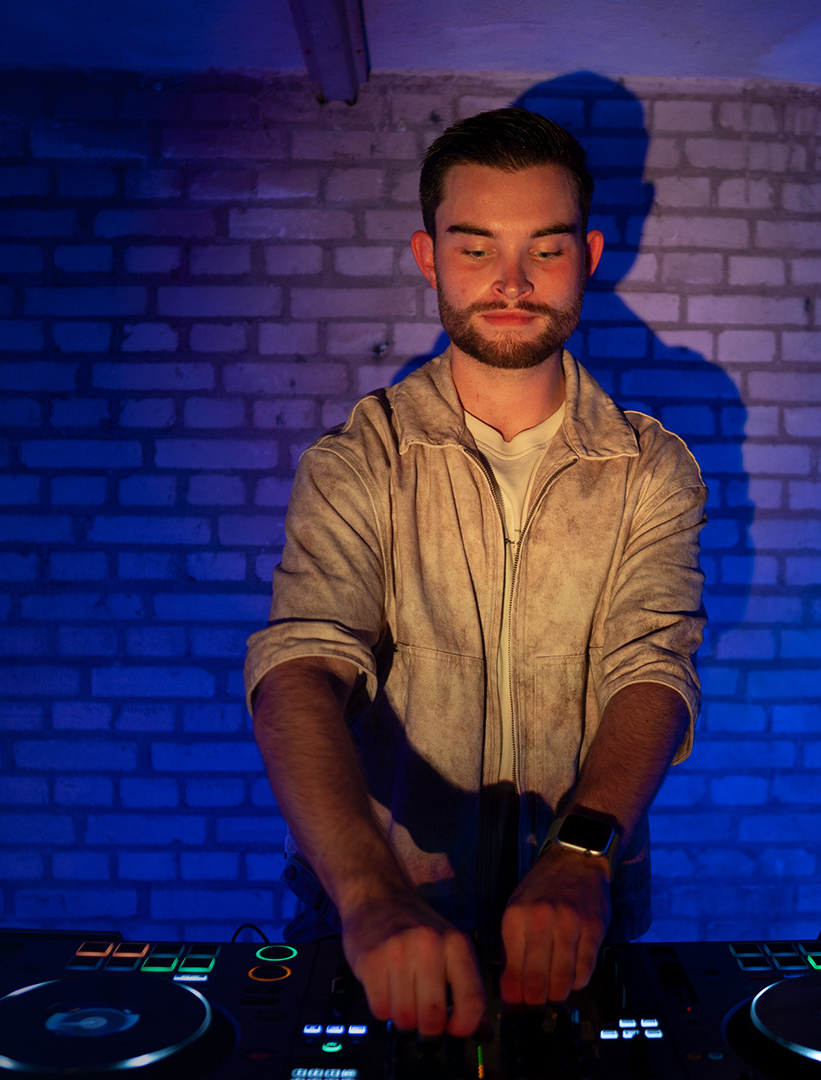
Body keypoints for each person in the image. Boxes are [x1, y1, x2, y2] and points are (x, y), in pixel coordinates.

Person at [243, 108, 707, 1040]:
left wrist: (582, 854)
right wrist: (368, 889)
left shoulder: (651, 468)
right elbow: (300, 668)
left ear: (589, 256)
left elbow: (652, 673)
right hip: (376, 925)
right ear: (429, 257)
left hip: (583, 923)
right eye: (476, 247)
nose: (511, 282)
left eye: (546, 249)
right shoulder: (360, 459)